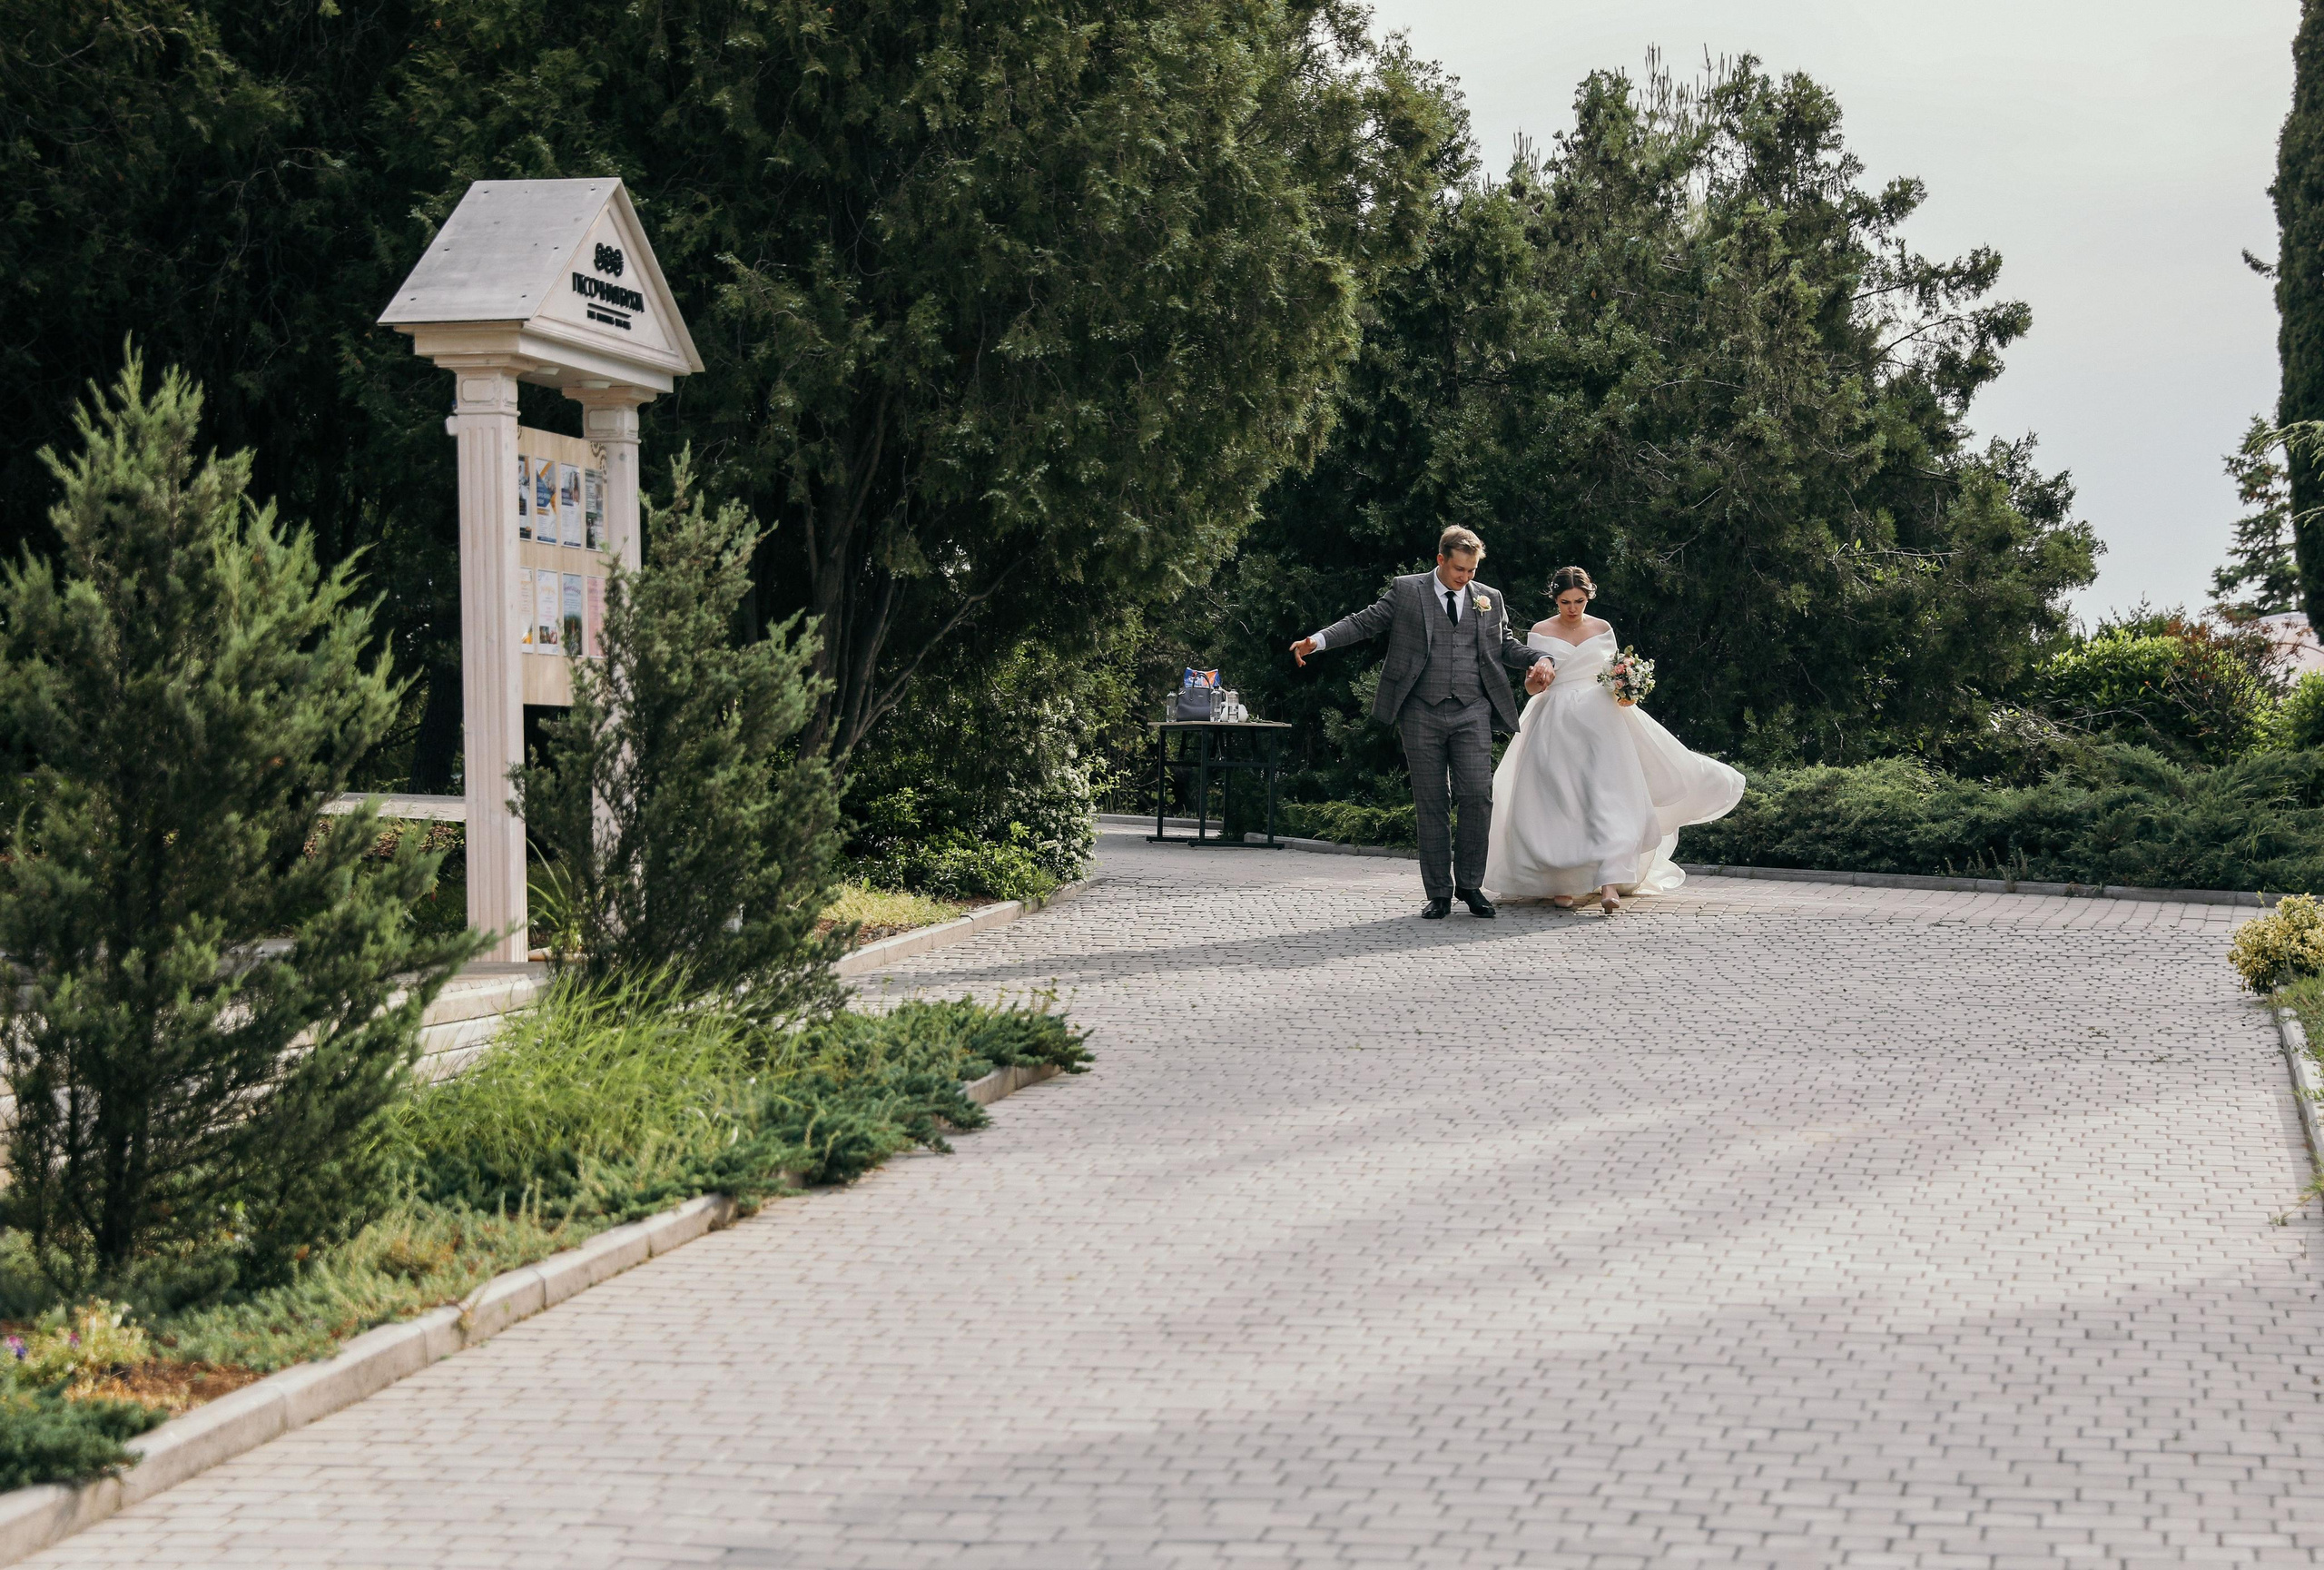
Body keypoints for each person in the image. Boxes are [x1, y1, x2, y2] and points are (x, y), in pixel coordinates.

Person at [1290, 527, 1553, 919]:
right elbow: (1364, 623)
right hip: (1420, 711)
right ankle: (1439, 893)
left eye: (1472, 570)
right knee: (1431, 801)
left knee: (1478, 797)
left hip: (1472, 709)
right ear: (1441, 560)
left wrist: (1539, 657)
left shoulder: (1489, 599)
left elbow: (1504, 646)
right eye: (1459, 569)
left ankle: (1470, 885)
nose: (1465, 577)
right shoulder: (1407, 591)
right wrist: (1318, 640)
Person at [1483, 566, 1744, 913]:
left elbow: (1613, 675)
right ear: (1555, 598)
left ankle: (1609, 882)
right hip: (1555, 721)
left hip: (1600, 719)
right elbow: (1532, 686)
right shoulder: (1540, 631)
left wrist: (1628, 687)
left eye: (1579, 600)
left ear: (1588, 596)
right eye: (1565, 601)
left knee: (1607, 797)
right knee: (1558, 800)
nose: (1573, 608)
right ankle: (1561, 881)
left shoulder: (1602, 628)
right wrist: (1537, 680)